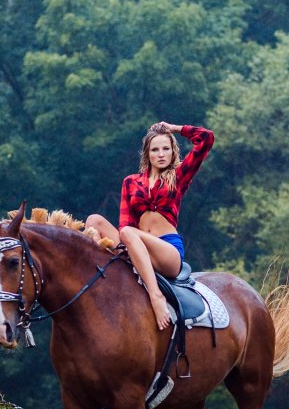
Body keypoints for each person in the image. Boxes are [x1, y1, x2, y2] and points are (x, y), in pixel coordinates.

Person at [85, 121, 214, 331]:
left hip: (167, 251)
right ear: (147, 154)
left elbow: (206, 139)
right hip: (135, 246)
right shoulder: (130, 182)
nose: (161, 154)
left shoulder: (178, 177)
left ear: (173, 152)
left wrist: (174, 129)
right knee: (93, 220)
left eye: (166, 149)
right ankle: (99, 283)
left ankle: (155, 296)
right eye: (155, 149)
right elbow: (125, 223)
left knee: (126, 232)